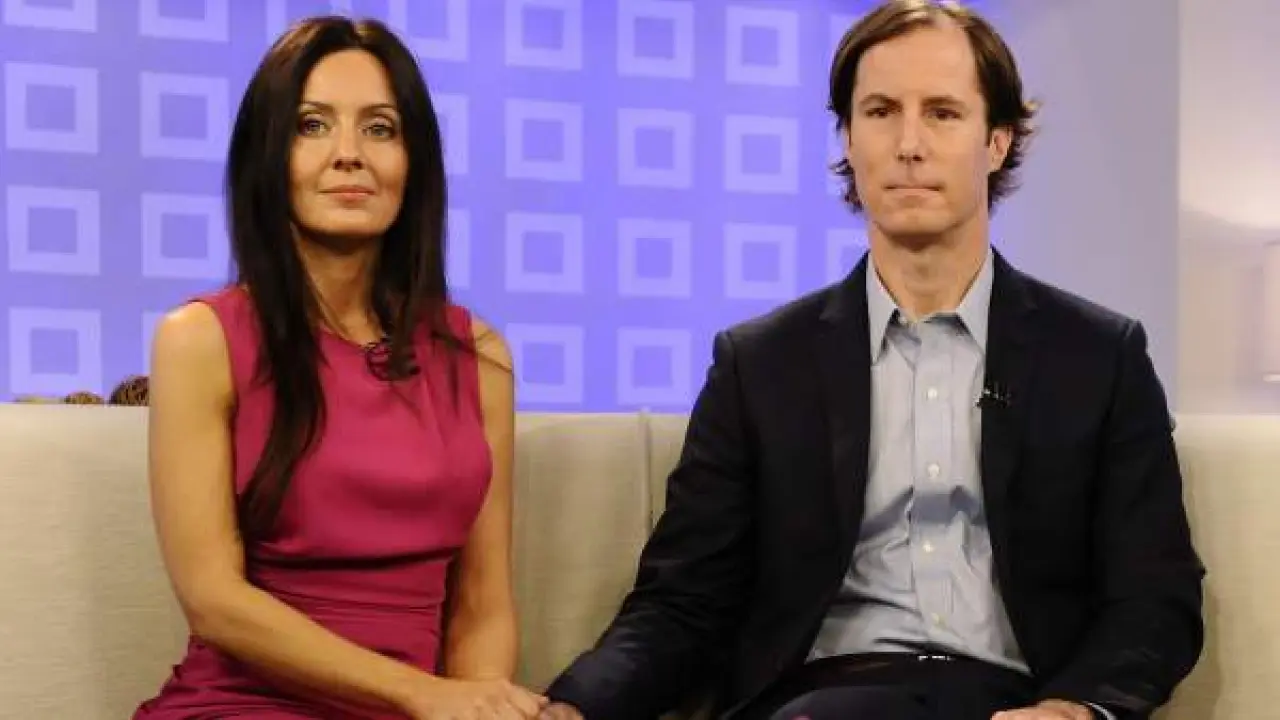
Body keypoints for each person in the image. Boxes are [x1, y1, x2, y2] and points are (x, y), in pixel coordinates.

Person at [538, 2, 1204, 719]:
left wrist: (1076, 708)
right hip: (820, 699)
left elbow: (1154, 598)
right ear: (849, 141)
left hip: (1015, 702)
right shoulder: (759, 367)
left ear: (997, 141)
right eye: (881, 112)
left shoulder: (1099, 358)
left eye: (942, 113)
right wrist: (571, 708)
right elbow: (681, 604)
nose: (909, 144)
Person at [134, 16, 547, 720]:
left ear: (414, 162)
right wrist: (426, 696)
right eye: (312, 126)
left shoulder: (477, 356)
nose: (349, 155)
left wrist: (476, 706)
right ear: (268, 155)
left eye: (380, 128)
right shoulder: (200, 339)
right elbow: (215, 602)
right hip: (241, 706)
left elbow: (481, 604)